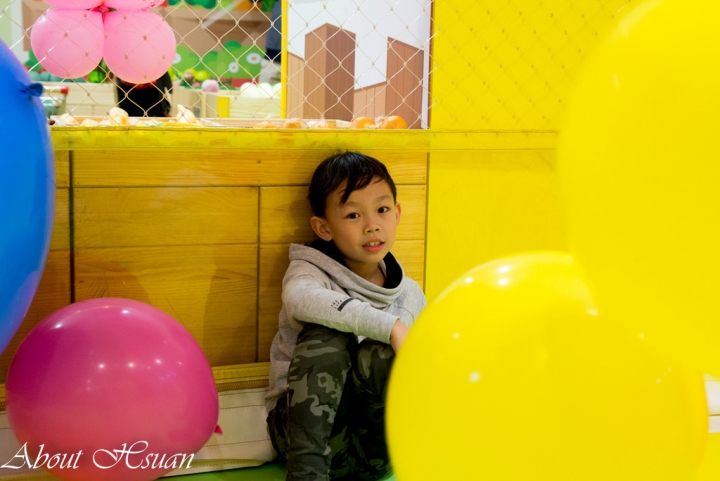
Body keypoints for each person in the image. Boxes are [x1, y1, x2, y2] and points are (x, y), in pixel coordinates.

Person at [265, 152, 427, 481]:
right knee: (326, 336)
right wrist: (390, 326)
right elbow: (300, 300)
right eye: (353, 215)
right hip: (303, 439)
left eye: (382, 210)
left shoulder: (409, 293)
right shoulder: (308, 271)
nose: (372, 225)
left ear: (397, 214)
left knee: (382, 353)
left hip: (374, 454)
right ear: (323, 227)